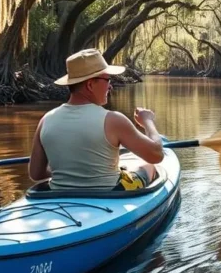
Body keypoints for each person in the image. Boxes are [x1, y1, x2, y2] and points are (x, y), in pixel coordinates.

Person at [28, 48, 164, 191]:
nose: (110, 86)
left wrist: (70, 175)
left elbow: (36, 173)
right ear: (90, 85)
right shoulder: (113, 120)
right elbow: (157, 154)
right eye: (107, 80)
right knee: (149, 166)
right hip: (110, 193)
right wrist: (147, 121)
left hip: (59, 193)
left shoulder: (45, 120)